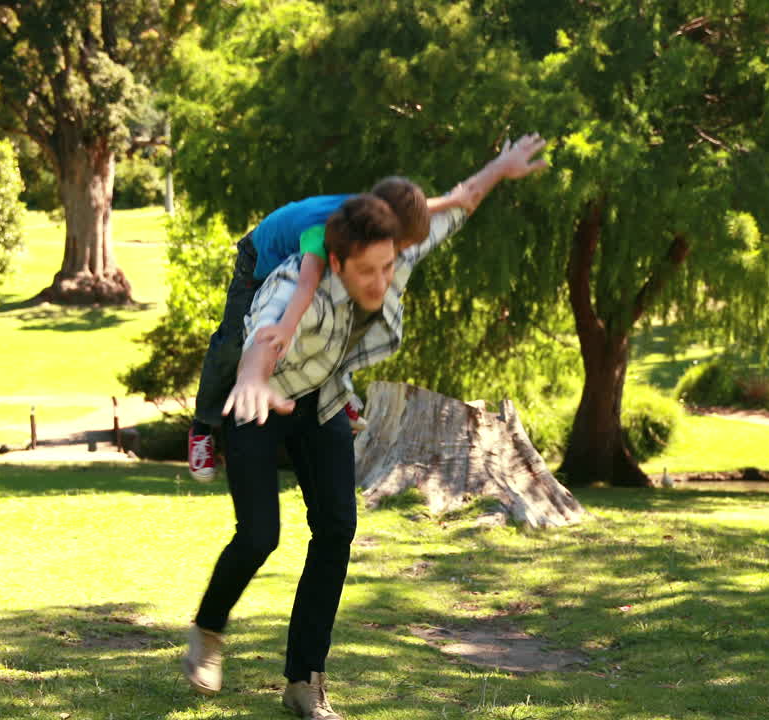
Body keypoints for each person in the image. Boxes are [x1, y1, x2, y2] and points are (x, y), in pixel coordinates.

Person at [181, 134, 550, 719]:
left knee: (335, 529)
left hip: (322, 402)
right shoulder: (289, 287)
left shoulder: (392, 250)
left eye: (389, 266)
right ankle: (207, 631)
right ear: (336, 262)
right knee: (259, 536)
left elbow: (456, 205)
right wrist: (249, 379)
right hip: (260, 403)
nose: (382, 283)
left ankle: (305, 682)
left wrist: (500, 171)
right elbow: (262, 339)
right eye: (368, 272)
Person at [186, 178, 471, 482]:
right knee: (232, 343)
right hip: (260, 261)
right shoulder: (321, 233)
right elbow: (306, 283)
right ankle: (202, 427)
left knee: (340, 316)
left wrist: (455, 200)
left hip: (302, 255)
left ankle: (336, 392)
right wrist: (285, 326)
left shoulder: (374, 213)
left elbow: (421, 206)